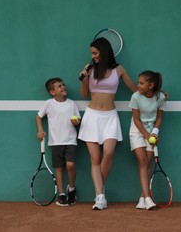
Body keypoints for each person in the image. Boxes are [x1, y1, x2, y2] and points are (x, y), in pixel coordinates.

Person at [78, 37, 137, 210]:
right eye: (92, 54)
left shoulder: (119, 69)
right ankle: (101, 197)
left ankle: (99, 190)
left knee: (109, 153)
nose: (93, 56)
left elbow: (134, 89)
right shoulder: (90, 69)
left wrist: (157, 92)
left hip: (110, 116)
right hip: (92, 117)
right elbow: (84, 94)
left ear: (104, 52)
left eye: (95, 53)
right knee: (95, 159)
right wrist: (83, 78)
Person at [36, 77, 81, 206]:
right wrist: (40, 130)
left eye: (63, 85)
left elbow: (78, 120)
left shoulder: (72, 104)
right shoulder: (49, 103)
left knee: (70, 165)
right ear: (52, 92)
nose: (63, 87)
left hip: (71, 140)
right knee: (59, 168)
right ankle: (61, 195)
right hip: (55, 142)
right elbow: (38, 116)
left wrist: (76, 122)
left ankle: (71, 189)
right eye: (59, 86)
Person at [129, 70, 166, 210]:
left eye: (141, 83)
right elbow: (137, 120)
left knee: (148, 163)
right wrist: (146, 135)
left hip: (151, 131)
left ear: (150, 85)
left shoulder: (160, 97)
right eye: (138, 82)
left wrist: (155, 133)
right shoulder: (135, 97)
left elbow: (160, 118)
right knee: (142, 161)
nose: (138, 85)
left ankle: (142, 197)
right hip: (136, 131)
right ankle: (147, 197)